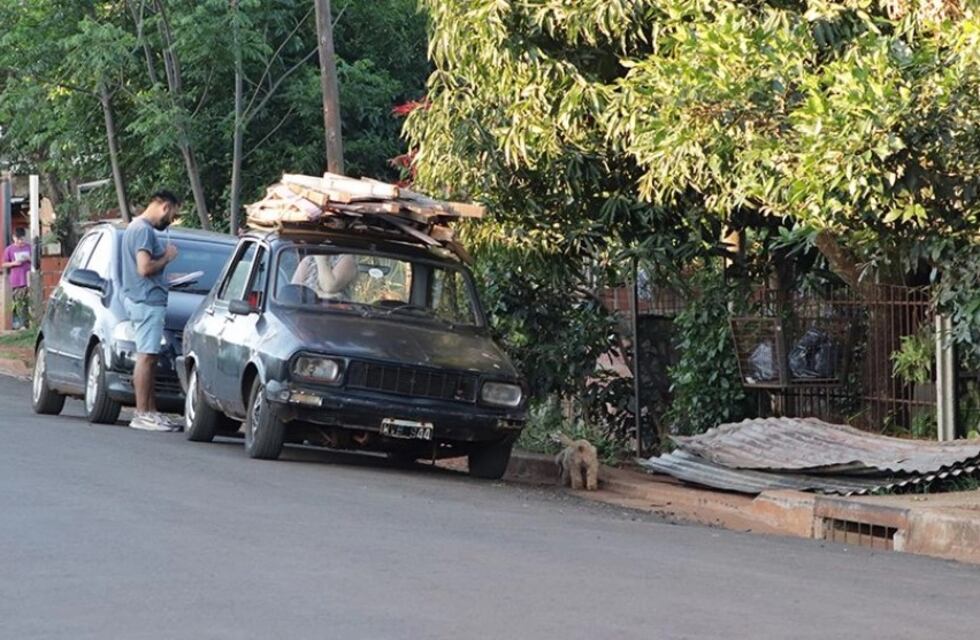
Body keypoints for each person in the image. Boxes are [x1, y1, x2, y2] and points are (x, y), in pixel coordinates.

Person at [121, 191, 181, 432]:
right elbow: (144, 268)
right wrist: (167, 257)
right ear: (165, 206)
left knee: (151, 356)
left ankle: (152, 411)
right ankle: (142, 413)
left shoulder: (135, 228)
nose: (171, 220)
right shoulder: (143, 230)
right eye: (173, 214)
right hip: (146, 301)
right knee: (146, 357)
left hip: (143, 298)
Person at [291, 253, 358, 300]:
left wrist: (321, 260)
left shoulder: (347, 258)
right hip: (305, 311)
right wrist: (321, 295)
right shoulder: (309, 259)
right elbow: (292, 291)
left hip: (334, 314)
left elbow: (329, 287)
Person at [2, 228, 32, 329]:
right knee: (19, 302)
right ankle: (21, 324)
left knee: (28, 301)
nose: (20, 241)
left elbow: (37, 261)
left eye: (22, 239)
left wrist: (29, 259)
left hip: (28, 278)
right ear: (14, 238)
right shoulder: (9, 249)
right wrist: (13, 263)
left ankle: (28, 324)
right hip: (16, 279)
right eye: (18, 239)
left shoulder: (29, 247)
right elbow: (3, 264)